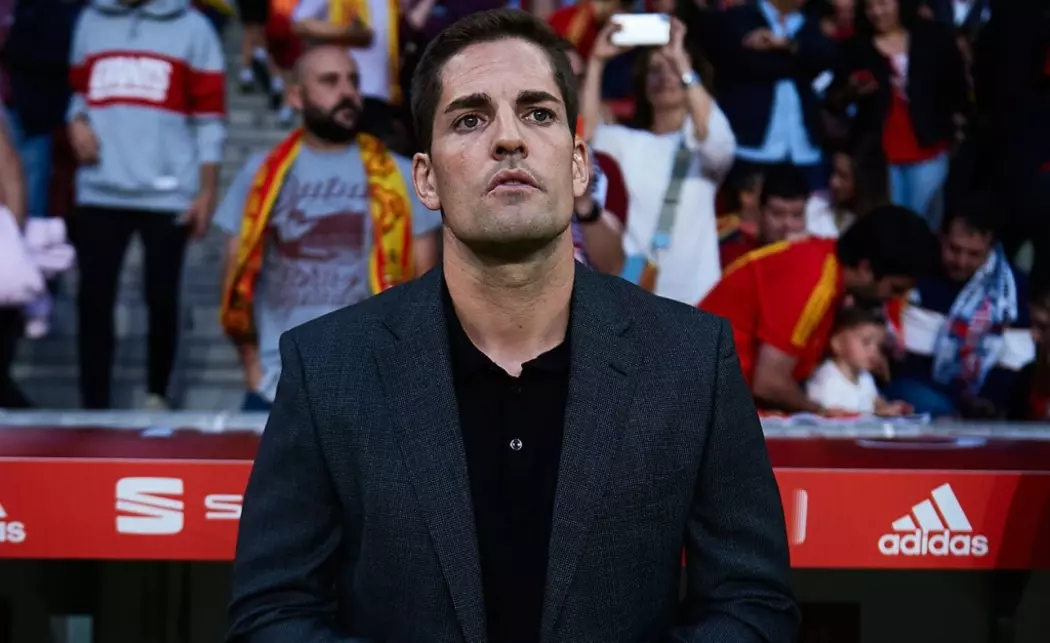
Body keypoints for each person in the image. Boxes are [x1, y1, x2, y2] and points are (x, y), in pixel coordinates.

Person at [228, 9, 798, 643]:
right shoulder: (327, 367)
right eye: (470, 119)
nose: (509, 139)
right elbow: (271, 614)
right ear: (426, 179)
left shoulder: (691, 360)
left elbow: (753, 604)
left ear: (579, 166)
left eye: (538, 114)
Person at [215, 45, 441, 412]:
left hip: (374, 389)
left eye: (353, 80)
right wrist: (252, 366)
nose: (348, 92)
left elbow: (424, 291)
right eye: (330, 81)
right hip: (276, 387)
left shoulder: (402, 177)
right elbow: (234, 279)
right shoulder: (258, 176)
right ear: (295, 96)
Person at [66, 0, 226, 409]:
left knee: (162, 295)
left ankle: (158, 394)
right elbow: (79, 92)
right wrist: (76, 121)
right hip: (100, 186)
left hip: (169, 191)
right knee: (93, 298)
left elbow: (210, 119)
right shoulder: (90, 20)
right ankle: (92, 405)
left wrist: (207, 191)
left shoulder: (195, 28)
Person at [700, 204, 939, 414]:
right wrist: (823, 414)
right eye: (895, 289)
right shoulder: (811, 281)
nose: (894, 299)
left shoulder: (826, 266)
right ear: (866, 269)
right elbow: (770, 384)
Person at [582, 15, 736, 303]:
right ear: (643, 83)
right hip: (637, 297)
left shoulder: (701, 142)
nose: (664, 76)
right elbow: (583, 143)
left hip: (697, 300)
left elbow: (719, 144)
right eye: (654, 70)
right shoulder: (626, 141)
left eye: (672, 68)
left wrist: (683, 63)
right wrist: (597, 61)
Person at [883, 198, 1033, 417]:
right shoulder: (917, 274)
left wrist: (988, 401)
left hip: (986, 401)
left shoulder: (1011, 292)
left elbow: (1015, 363)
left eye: (974, 254)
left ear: (991, 249)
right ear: (941, 237)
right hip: (919, 389)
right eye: (954, 249)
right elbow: (907, 359)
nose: (961, 262)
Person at [806, 306, 911, 415]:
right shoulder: (827, 380)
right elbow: (833, 416)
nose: (873, 351)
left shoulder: (866, 377)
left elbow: (876, 403)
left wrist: (891, 409)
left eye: (879, 346)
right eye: (866, 342)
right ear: (838, 343)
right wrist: (879, 415)